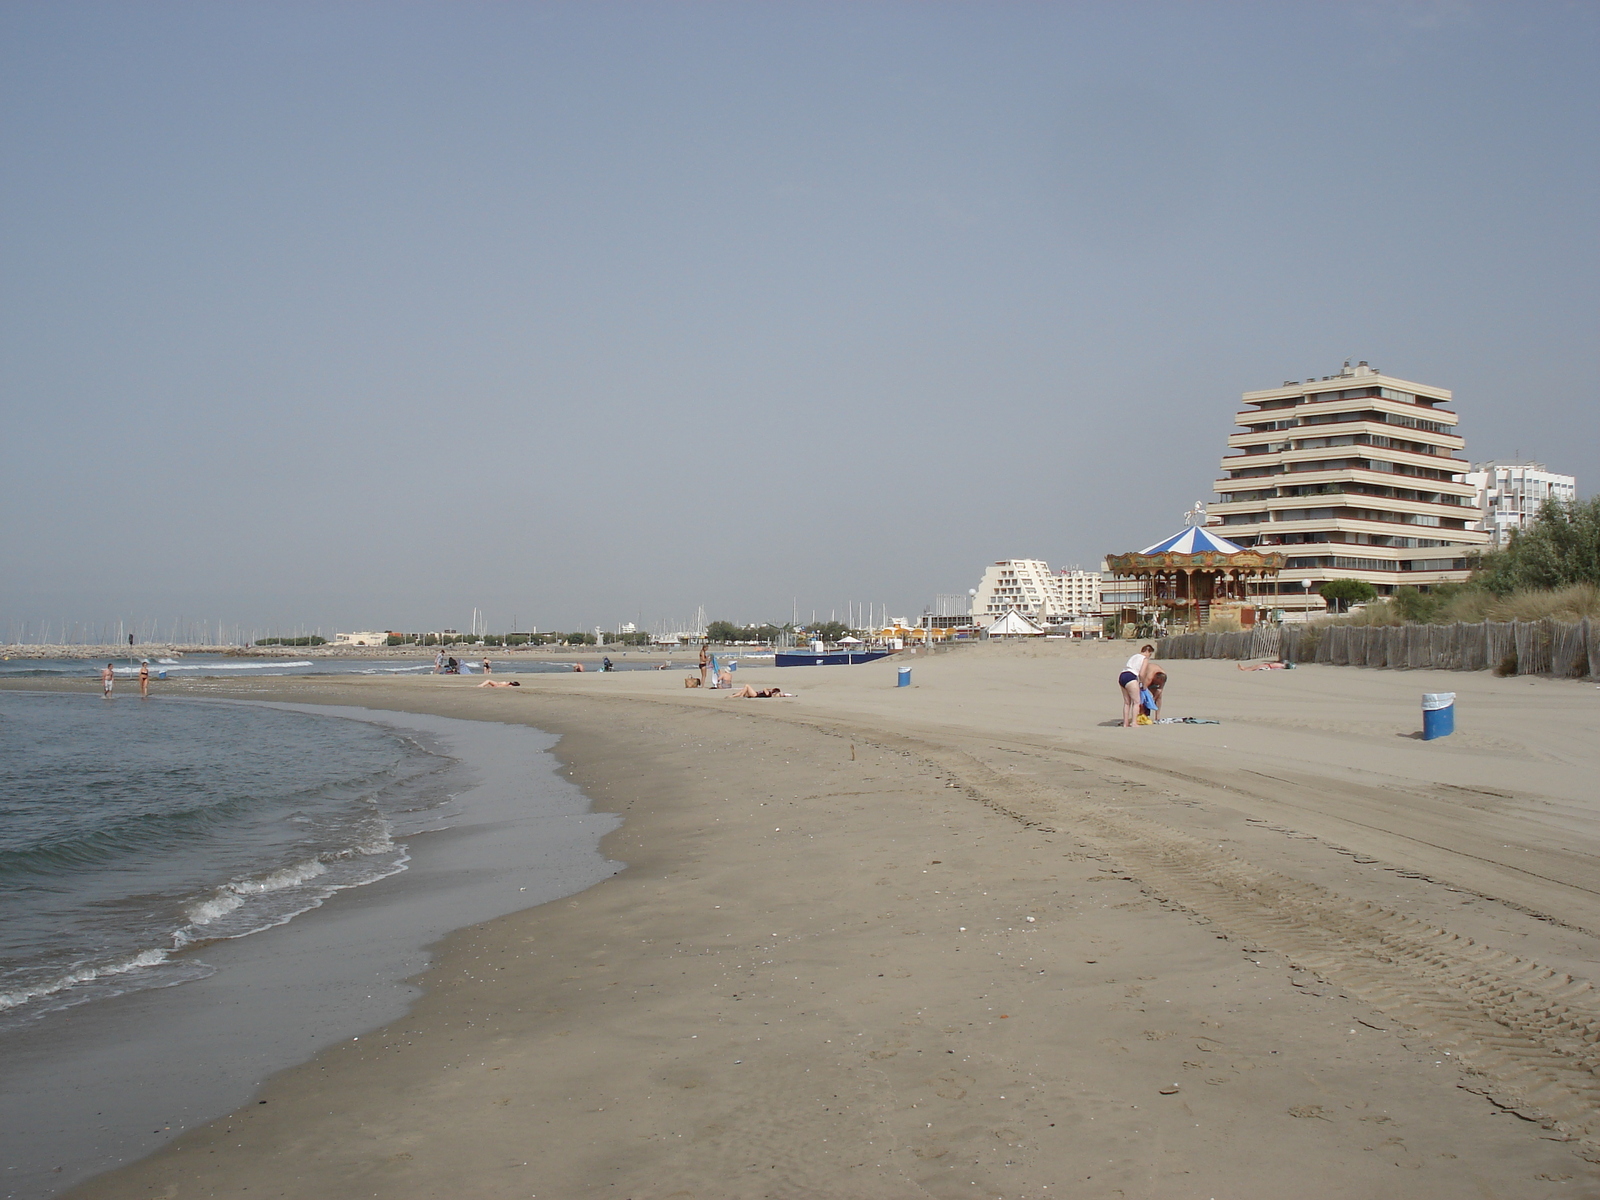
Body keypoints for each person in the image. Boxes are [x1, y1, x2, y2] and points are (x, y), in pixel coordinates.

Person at [1119, 644, 1154, 728]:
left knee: (1127, 702)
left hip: (1122, 675)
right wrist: (1143, 684)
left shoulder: (1134, 656)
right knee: (1136, 701)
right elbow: (1142, 673)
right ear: (1147, 651)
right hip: (1131, 676)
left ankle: (1125, 723)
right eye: (1150, 654)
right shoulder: (1144, 659)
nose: (1149, 656)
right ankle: (1134, 722)